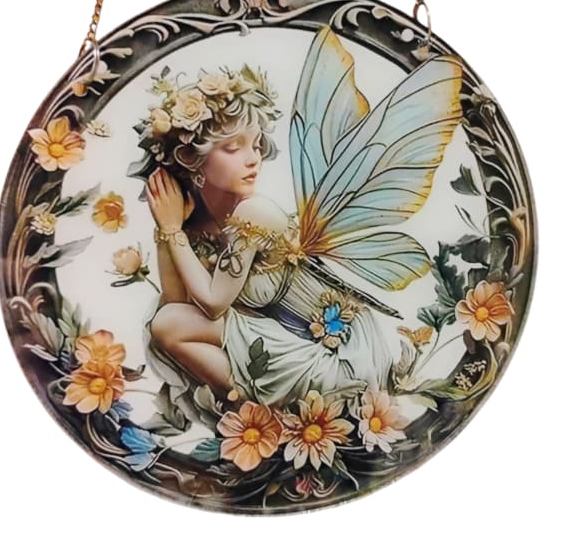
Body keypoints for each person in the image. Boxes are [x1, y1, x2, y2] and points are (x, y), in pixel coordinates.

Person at [134, 61, 394, 422]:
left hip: (340, 357)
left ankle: (253, 413)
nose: (253, 159)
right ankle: (251, 408)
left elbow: (212, 305)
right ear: (190, 159)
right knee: (166, 322)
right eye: (233, 147)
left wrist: (172, 231)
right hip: (292, 340)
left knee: (167, 325)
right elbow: (176, 303)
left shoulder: (255, 212)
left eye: (256, 145)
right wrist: (167, 228)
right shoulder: (199, 223)